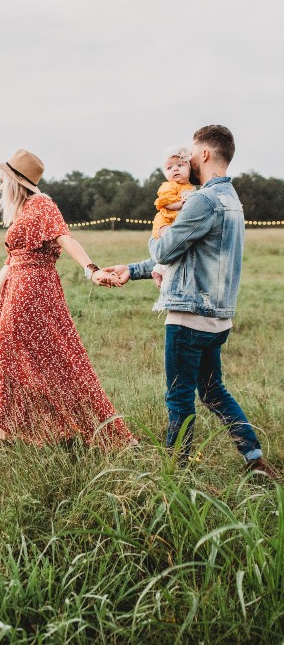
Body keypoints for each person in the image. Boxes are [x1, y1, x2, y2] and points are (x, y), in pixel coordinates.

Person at [104, 126, 278, 477]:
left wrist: (159, 234)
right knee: (214, 392)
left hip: (189, 317)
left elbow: (166, 249)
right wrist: (133, 270)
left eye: (192, 153)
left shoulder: (202, 200)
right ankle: (254, 459)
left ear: (205, 155)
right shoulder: (232, 200)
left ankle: (176, 471)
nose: (187, 160)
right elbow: (188, 255)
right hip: (218, 319)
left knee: (178, 396)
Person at [0, 148, 135, 447]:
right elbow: (9, 264)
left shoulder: (42, 204)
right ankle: (17, 432)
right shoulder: (22, 212)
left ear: (15, 181)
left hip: (34, 292)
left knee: (54, 360)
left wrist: (91, 269)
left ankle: (64, 429)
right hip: (16, 292)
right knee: (15, 361)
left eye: (3, 177)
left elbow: (65, 238)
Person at [151, 147, 196, 288]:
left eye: (180, 165)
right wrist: (180, 204)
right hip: (165, 221)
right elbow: (165, 202)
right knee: (170, 241)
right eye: (169, 168)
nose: (175, 169)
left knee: (176, 246)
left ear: (189, 169)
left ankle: (158, 269)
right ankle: (161, 271)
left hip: (176, 221)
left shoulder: (191, 187)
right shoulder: (169, 186)